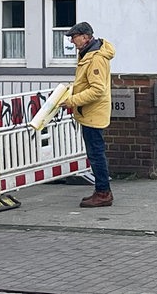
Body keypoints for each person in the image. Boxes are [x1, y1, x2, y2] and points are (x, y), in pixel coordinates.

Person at [61, 22, 116, 208]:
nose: (71, 40)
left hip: (93, 113)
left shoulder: (95, 58)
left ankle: (103, 193)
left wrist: (72, 100)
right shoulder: (87, 54)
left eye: (74, 36)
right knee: (95, 153)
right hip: (90, 112)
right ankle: (101, 190)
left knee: (96, 154)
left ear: (85, 37)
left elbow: (97, 90)